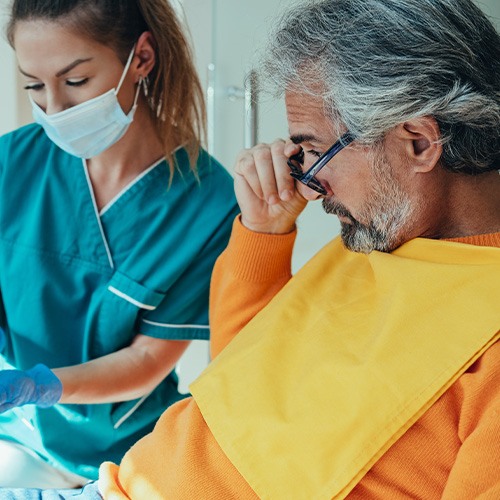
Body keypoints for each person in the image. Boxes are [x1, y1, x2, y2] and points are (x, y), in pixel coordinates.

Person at [2, 0, 499, 498]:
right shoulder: (376, 243)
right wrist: (262, 232)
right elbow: (236, 377)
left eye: (312, 149)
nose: (307, 182)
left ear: (417, 143)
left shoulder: (483, 339)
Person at [0, 0, 238, 490]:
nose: (54, 108)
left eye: (75, 81)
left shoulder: (208, 201)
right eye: (33, 85)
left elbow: (148, 360)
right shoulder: (12, 163)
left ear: (142, 58)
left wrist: (44, 386)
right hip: (21, 434)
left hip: (129, 450)